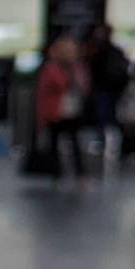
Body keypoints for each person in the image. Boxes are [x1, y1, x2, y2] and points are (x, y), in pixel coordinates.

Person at [35, 36, 90, 181]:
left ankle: (80, 174)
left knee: (75, 142)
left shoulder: (77, 68)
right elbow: (49, 89)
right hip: (56, 110)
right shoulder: (51, 68)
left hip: (73, 109)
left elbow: (84, 87)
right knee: (54, 143)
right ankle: (56, 174)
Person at [84, 23, 130, 158]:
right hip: (114, 89)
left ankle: (103, 144)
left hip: (103, 89)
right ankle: (116, 144)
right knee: (112, 117)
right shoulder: (116, 51)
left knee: (103, 117)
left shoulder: (98, 51)